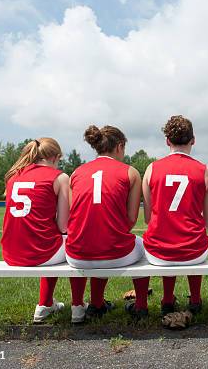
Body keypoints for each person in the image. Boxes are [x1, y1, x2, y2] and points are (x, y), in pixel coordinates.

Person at [66, 125, 149, 321]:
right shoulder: (130, 172)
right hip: (116, 253)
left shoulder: (76, 172)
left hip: (76, 254)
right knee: (144, 246)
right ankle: (141, 306)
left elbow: (74, 217)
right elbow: (130, 220)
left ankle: (88, 306)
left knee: (93, 239)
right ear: (119, 146)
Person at [142, 115, 208, 315]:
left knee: (165, 238)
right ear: (193, 140)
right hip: (194, 251)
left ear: (167, 141)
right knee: (193, 240)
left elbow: (148, 219)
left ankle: (167, 299)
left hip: (158, 252)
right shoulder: (205, 171)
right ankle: (196, 298)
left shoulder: (151, 169)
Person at [1, 137, 81, 323]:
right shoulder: (60, 177)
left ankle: (44, 305)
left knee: (49, 239)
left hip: (10, 253)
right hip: (41, 253)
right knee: (78, 243)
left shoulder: (14, 176)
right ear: (54, 157)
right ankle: (78, 306)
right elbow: (63, 226)